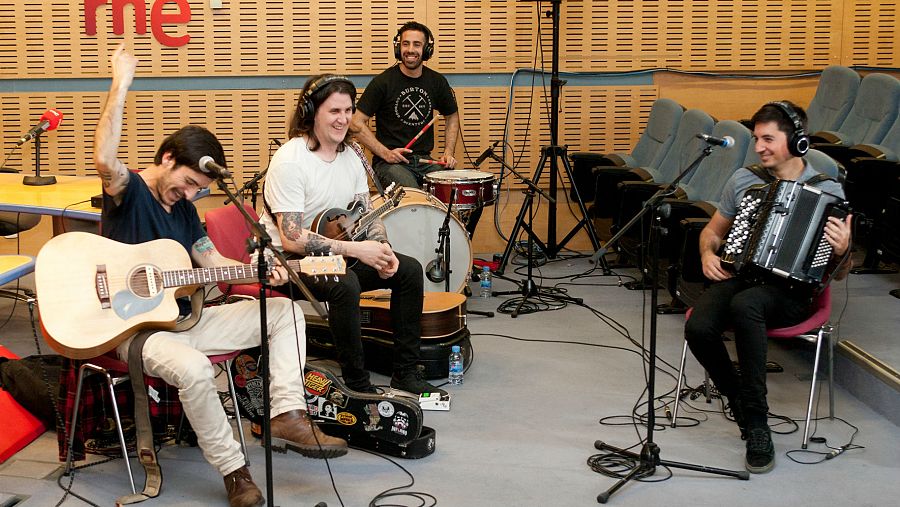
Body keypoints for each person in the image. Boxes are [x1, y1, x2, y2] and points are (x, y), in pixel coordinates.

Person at [96, 44, 347, 507]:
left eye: (201, 190)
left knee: (285, 311)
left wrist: (263, 271)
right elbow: (105, 159)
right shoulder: (128, 191)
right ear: (168, 158)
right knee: (193, 369)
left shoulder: (187, 215)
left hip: (184, 322)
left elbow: (212, 263)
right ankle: (236, 473)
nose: (191, 195)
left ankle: (288, 413)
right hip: (132, 331)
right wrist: (121, 83)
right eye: (189, 183)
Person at [684, 101, 853, 474]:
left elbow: (839, 273)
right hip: (743, 277)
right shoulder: (744, 181)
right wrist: (707, 255)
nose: (758, 146)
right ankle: (740, 400)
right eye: (756, 137)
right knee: (698, 326)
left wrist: (842, 250)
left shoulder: (828, 192)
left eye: (768, 139)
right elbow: (713, 231)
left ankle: (757, 425)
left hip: (792, 293)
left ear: (797, 141)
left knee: (747, 305)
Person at [260, 73, 447, 397]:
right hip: (288, 262)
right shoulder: (290, 160)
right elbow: (291, 238)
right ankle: (358, 384)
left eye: (348, 111)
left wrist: (381, 247)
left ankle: (405, 372)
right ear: (311, 112)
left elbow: (366, 213)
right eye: (334, 111)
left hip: (338, 253)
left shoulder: (353, 156)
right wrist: (357, 251)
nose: (344, 119)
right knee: (346, 283)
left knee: (409, 270)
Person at [351, 21, 460, 190]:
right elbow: (355, 123)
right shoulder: (383, 82)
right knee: (414, 195)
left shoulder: (437, 82)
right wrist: (385, 153)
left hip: (424, 161)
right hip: (389, 164)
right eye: (405, 44)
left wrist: (448, 152)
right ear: (398, 48)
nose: (410, 50)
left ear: (427, 50)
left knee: (458, 190)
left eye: (417, 44)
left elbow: (451, 116)